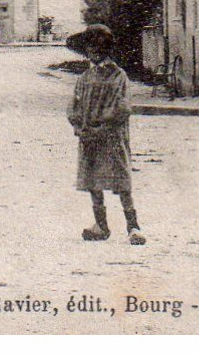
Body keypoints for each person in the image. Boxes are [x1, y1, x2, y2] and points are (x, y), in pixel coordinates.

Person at [66, 24, 145, 245]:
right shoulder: (84, 78)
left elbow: (122, 107)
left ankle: (133, 226)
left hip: (112, 136)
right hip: (89, 136)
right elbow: (74, 106)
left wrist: (103, 124)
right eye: (90, 45)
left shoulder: (119, 76)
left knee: (121, 179)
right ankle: (100, 224)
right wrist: (79, 126)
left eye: (99, 45)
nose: (94, 50)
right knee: (93, 180)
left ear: (107, 48)